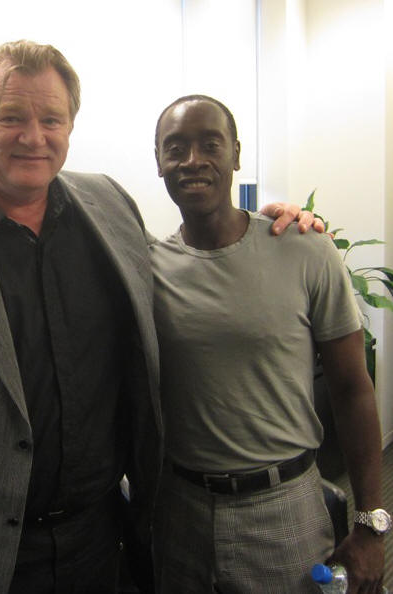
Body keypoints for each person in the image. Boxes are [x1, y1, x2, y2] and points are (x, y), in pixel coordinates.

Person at [0, 41, 316, 594]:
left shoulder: (106, 203)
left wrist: (269, 227)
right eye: (11, 116)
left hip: (103, 539)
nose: (34, 136)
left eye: (51, 119)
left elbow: (187, 269)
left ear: (70, 125)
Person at [150, 94, 390, 594]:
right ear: (159, 163)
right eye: (176, 148)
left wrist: (370, 523)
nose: (192, 161)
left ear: (236, 154)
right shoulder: (146, 267)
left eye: (209, 144)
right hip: (180, 510)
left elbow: (352, 389)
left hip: (284, 511)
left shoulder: (305, 250)